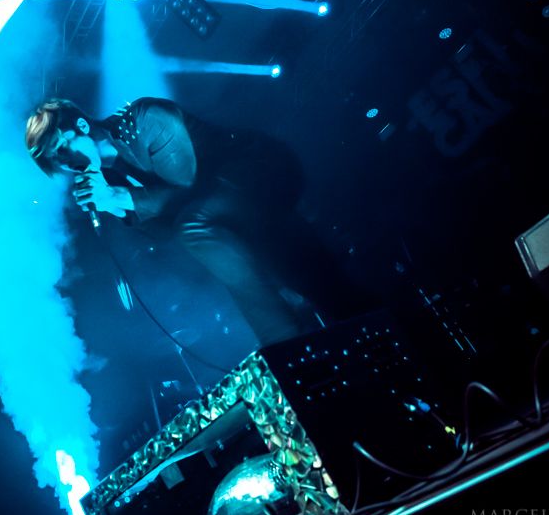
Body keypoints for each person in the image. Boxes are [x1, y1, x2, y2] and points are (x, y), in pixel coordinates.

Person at [25, 97, 369, 347]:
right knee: (319, 282)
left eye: (62, 148)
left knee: (196, 226)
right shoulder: (110, 177)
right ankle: (322, 330)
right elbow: (165, 234)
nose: (66, 163)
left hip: (258, 170)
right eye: (57, 160)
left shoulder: (144, 121)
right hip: (234, 212)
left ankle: (283, 338)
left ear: (82, 126)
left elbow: (189, 188)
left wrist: (120, 198)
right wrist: (113, 205)